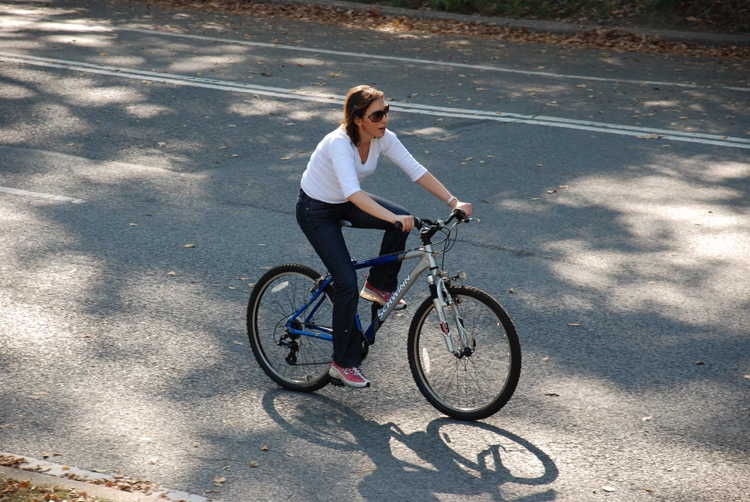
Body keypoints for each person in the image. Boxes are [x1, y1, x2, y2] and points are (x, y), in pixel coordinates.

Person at [296, 85, 473, 388]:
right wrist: (392, 218)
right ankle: (342, 363)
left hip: (345, 202)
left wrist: (453, 201)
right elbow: (353, 193)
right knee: (346, 282)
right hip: (316, 210)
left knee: (401, 219)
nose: (385, 119)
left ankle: (379, 285)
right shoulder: (339, 143)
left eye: (386, 111)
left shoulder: (383, 138)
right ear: (358, 119)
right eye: (377, 115)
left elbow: (416, 170)